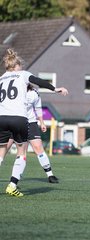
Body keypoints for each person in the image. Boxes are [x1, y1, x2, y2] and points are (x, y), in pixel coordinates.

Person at [0, 48, 68, 197]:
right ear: (17, 66)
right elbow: (39, 81)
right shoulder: (23, 75)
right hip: (18, 118)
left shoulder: (1, 78)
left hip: (1, 118)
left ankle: (48, 173)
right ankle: (12, 185)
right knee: (21, 152)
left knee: (1, 153)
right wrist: (55, 89)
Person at [1, 84, 59, 183]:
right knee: (4, 150)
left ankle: (50, 175)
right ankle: (15, 179)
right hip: (14, 122)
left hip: (30, 123)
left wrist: (42, 122)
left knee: (38, 148)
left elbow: (38, 108)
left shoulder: (34, 93)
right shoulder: (12, 91)